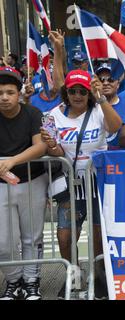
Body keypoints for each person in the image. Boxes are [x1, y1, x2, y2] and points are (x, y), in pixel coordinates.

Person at [40, 69, 122, 299]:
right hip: (69, 184)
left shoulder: (98, 110)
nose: (77, 95)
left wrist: (102, 98)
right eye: (73, 91)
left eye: (82, 91)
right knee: (65, 236)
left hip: (97, 183)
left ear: (89, 93)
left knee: (97, 234)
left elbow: (115, 126)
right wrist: (52, 146)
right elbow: (52, 150)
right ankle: (73, 277)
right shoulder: (51, 115)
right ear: (66, 92)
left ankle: (98, 278)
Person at [0, 66, 48, 300]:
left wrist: (12, 161)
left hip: (33, 180)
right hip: (1, 186)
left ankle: (31, 281)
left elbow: (41, 146)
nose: (4, 97)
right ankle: (13, 280)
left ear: (19, 93)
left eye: (10, 92)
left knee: (32, 236)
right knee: (3, 240)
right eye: (0, 93)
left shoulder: (32, 113)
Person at [94, 63, 125, 150]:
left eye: (111, 79)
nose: (106, 83)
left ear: (118, 84)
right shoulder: (90, 107)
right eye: (101, 80)